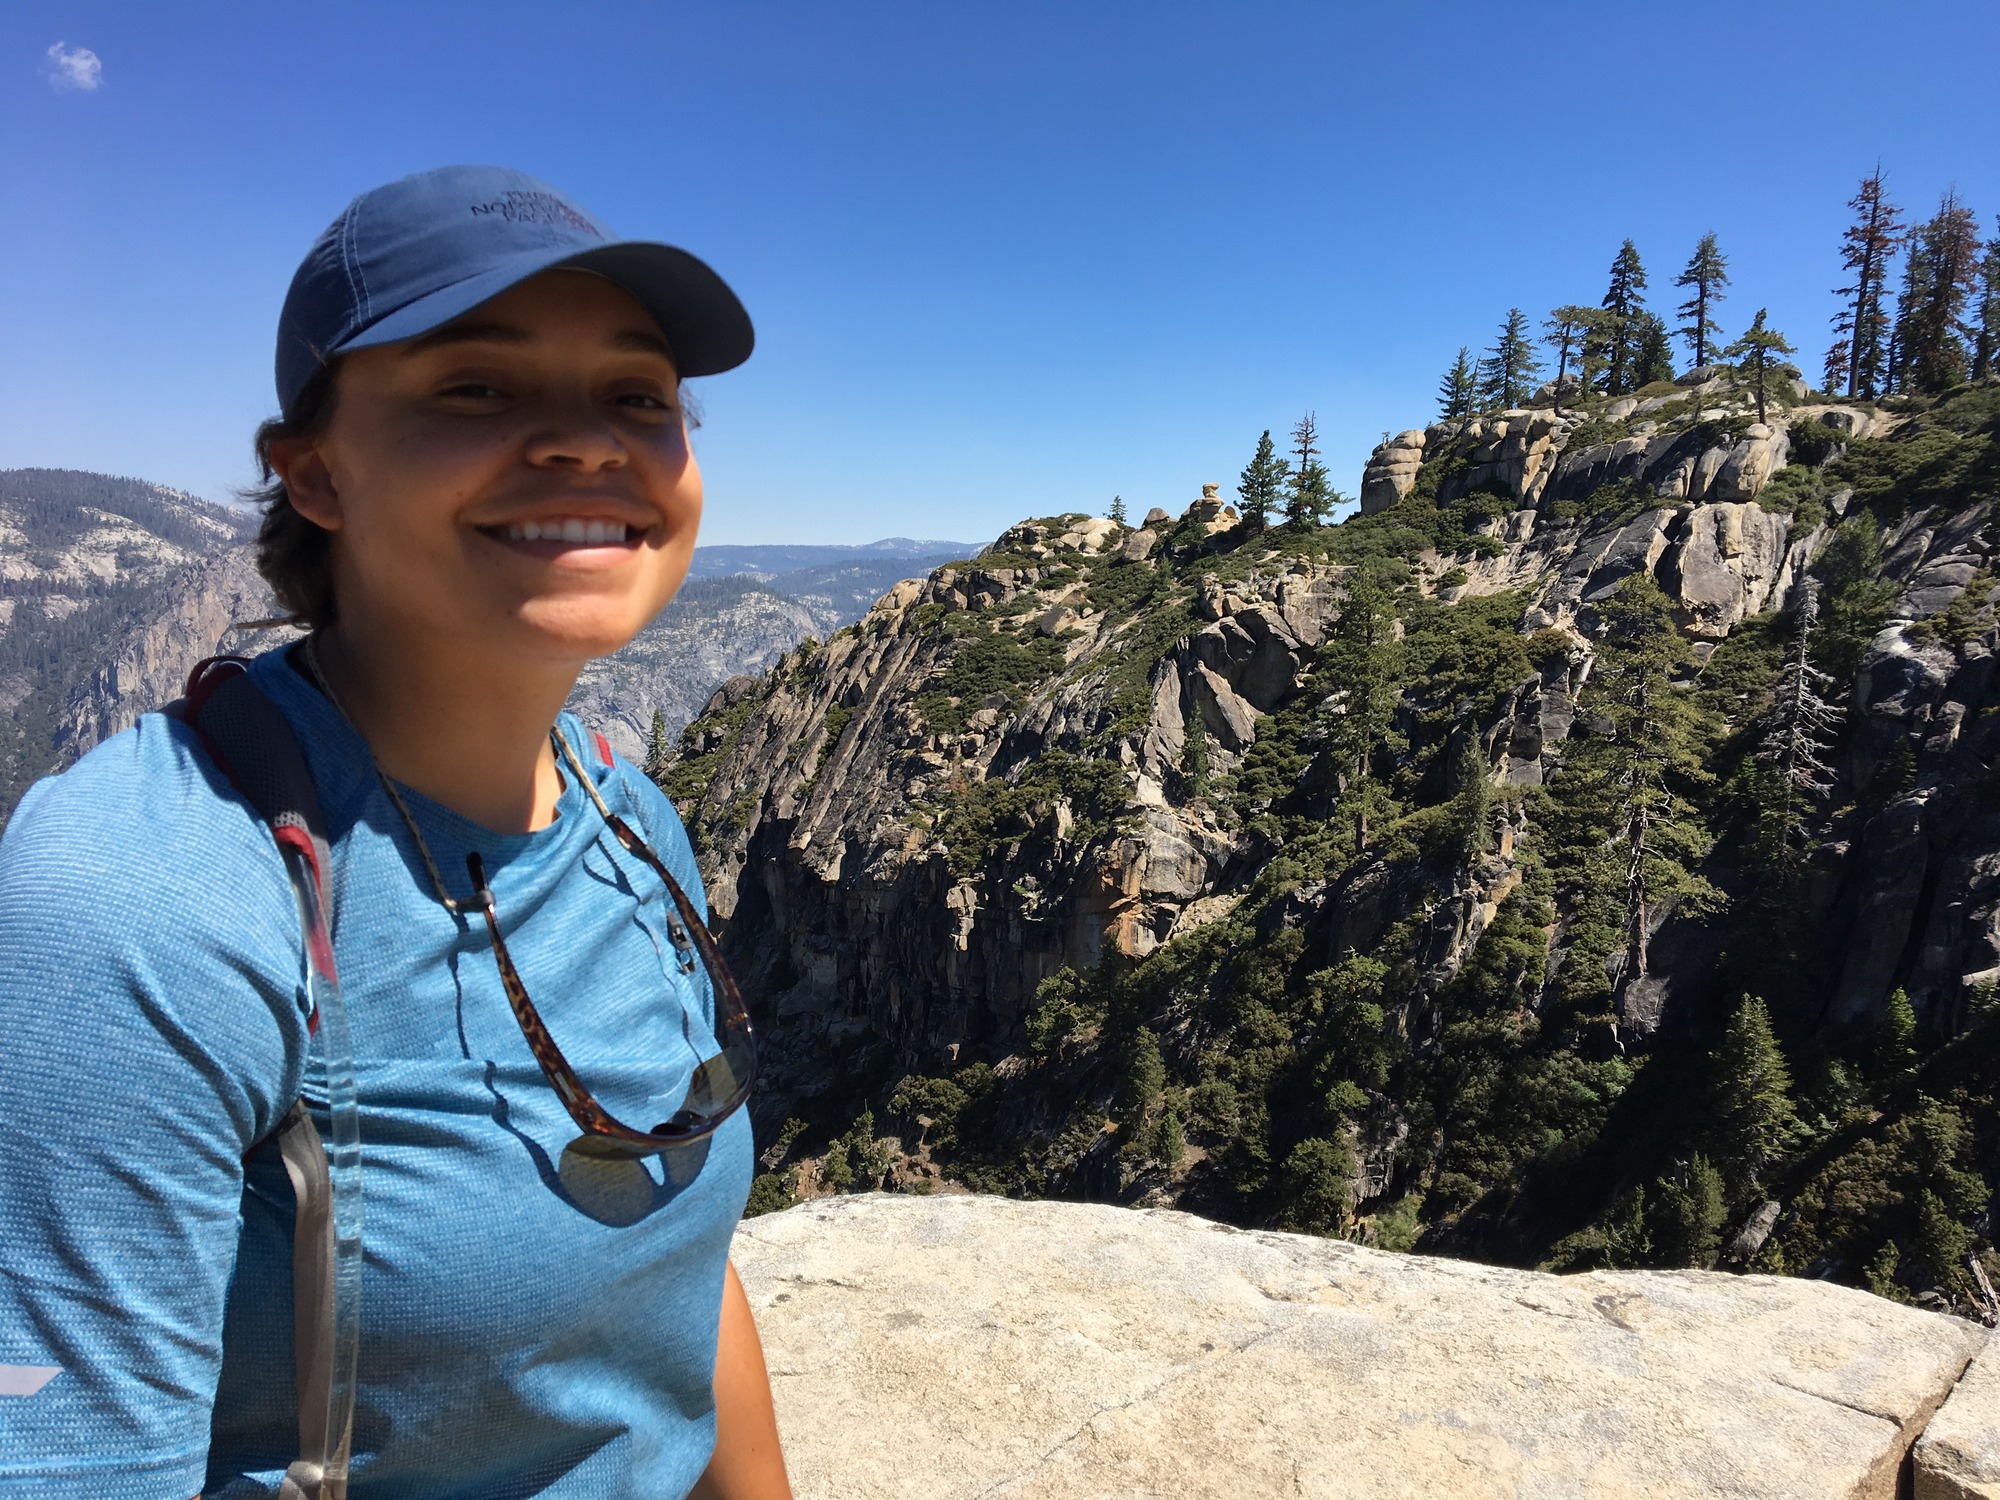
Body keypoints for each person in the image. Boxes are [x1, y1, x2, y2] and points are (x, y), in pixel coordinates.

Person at [0, 166, 792, 1499]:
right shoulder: (151, 896)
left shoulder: (626, 811)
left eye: (637, 395)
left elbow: (679, 1273)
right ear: (313, 474)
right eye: (475, 388)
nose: (587, 442)